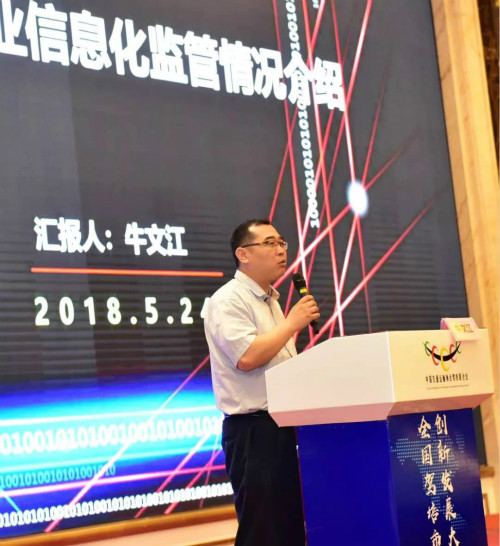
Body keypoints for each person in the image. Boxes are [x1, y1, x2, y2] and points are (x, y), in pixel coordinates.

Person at [203, 218, 320, 546]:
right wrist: (292, 324)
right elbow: (247, 357)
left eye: (282, 243)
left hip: (283, 426)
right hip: (253, 432)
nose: (281, 250)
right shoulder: (228, 300)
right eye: (269, 243)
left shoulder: (270, 300)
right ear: (243, 254)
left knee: (289, 529)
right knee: (263, 532)